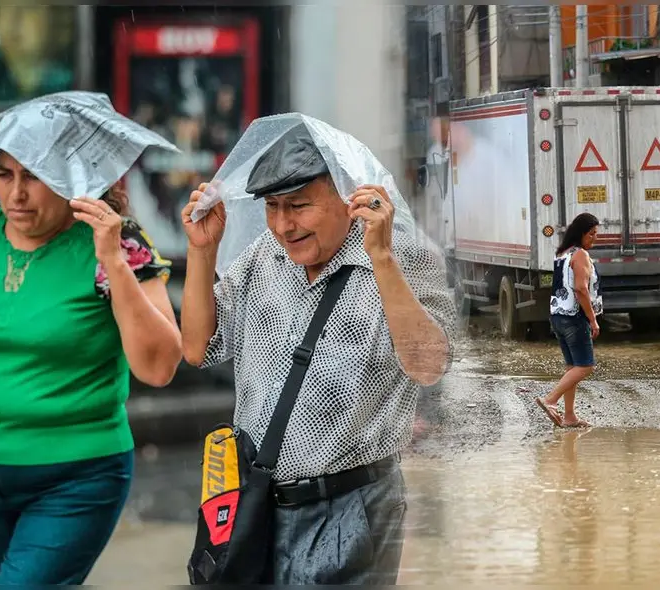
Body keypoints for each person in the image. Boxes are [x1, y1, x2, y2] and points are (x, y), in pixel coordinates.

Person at [179, 122, 455, 584]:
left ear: (348, 196)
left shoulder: (403, 257)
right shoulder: (262, 257)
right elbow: (196, 348)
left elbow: (428, 367)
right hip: (258, 502)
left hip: (354, 507)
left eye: (299, 206)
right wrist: (202, 253)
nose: (284, 225)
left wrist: (382, 260)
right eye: (272, 207)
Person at [0, 149, 182, 585]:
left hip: (76, 475)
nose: (16, 194)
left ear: (70, 178)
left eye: (33, 177)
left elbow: (159, 367)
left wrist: (114, 263)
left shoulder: (115, 238)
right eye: (3, 174)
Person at [535, 212, 602, 429]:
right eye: (591, 234)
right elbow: (581, 289)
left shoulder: (562, 253)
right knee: (586, 366)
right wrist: (593, 320)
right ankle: (550, 400)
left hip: (558, 316)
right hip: (575, 317)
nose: (595, 238)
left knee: (572, 367)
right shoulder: (580, 255)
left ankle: (570, 415)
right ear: (581, 233)